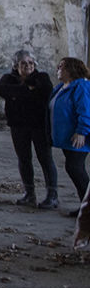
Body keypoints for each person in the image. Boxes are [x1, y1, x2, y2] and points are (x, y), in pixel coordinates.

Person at [0, 50, 58, 208]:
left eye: (31, 63)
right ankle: (29, 194)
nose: (28, 66)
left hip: (39, 126)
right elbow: (2, 90)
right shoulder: (7, 78)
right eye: (24, 63)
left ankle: (52, 195)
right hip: (18, 126)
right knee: (24, 159)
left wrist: (18, 92)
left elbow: (45, 92)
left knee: (45, 159)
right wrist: (28, 90)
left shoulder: (42, 77)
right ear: (16, 65)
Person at [50, 56, 90, 216]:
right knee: (74, 168)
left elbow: (85, 110)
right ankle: (84, 207)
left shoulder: (80, 86)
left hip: (78, 137)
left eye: (62, 67)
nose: (58, 70)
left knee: (75, 168)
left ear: (71, 70)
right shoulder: (62, 86)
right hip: (67, 137)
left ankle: (87, 209)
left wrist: (82, 131)